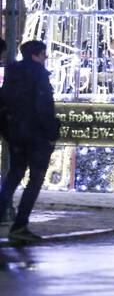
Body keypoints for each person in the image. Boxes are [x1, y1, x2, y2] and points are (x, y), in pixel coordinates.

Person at [0, 39, 61, 243]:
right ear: (35, 55)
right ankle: (20, 226)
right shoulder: (39, 75)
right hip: (36, 136)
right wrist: (52, 132)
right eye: (44, 54)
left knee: (13, 177)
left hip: (16, 134)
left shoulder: (12, 74)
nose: (45, 58)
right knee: (35, 179)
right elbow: (43, 107)